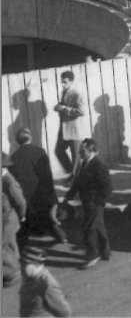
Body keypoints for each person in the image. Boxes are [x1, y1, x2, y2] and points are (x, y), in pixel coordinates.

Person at [11, 128, 66, 251]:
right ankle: (60, 236)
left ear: (16, 141)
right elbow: (46, 176)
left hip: (25, 195)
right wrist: (52, 196)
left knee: (27, 221)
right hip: (40, 193)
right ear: (30, 137)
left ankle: (23, 247)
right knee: (49, 216)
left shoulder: (14, 157)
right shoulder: (39, 152)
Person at [63, 139, 112, 270]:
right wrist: (67, 197)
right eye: (79, 150)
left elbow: (108, 187)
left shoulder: (99, 164)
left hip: (95, 203)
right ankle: (105, 252)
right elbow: (77, 183)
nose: (79, 153)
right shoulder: (84, 162)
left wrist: (98, 202)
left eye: (82, 150)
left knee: (88, 227)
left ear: (92, 151)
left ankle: (92, 256)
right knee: (99, 226)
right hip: (87, 201)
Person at [53, 71, 91, 179]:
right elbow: (63, 105)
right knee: (58, 151)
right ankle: (72, 172)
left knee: (76, 157)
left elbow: (82, 111)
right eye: (62, 82)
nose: (63, 85)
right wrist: (58, 107)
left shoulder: (76, 93)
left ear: (71, 81)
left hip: (74, 129)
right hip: (64, 128)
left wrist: (65, 109)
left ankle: (75, 179)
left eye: (65, 82)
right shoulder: (64, 91)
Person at [19, 247, 72, 318]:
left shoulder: (47, 284)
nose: (22, 266)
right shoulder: (30, 276)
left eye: (25, 263)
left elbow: (64, 310)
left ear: (36, 265)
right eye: (22, 263)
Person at [2, 153, 26, 288]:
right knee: (9, 246)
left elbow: (20, 202)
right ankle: (10, 274)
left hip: (10, 219)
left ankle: (12, 273)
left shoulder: (9, 182)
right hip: (4, 219)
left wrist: (22, 215)